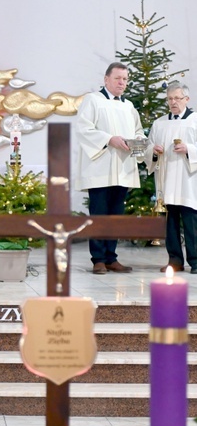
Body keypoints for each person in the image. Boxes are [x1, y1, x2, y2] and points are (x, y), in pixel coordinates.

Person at [75, 62, 145, 275]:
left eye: (125, 79)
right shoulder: (93, 100)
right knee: (99, 215)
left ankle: (111, 258)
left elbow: (138, 131)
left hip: (122, 169)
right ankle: (98, 259)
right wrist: (108, 139)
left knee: (116, 215)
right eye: (117, 78)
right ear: (106, 79)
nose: (122, 83)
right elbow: (83, 129)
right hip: (100, 168)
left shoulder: (128, 106)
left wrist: (139, 141)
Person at [145, 81, 197, 273]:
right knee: (171, 222)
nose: (173, 102)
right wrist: (154, 150)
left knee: (192, 222)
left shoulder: (195, 120)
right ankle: (175, 261)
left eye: (177, 98)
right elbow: (149, 147)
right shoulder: (159, 123)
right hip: (167, 179)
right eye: (170, 99)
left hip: (189, 180)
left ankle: (196, 261)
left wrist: (189, 149)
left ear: (187, 99)